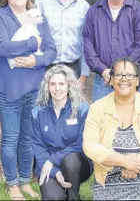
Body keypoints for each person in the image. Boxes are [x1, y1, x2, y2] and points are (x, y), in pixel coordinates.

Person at [0, 0, 57, 200]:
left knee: (28, 137)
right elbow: (1, 48)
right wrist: (31, 43)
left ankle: (26, 181)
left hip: (34, 89)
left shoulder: (38, 16)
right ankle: (12, 184)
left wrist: (34, 60)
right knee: (10, 138)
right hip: (9, 90)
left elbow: (50, 50)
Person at [83, 57, 140, 200]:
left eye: (130, 75)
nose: (124, 79)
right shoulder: (97, 108)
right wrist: (124, 161)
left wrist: (139, 160)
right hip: (109, 176)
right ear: (111, 79)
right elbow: (89, 145)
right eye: (118, 74)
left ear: (138, 80)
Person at [83, 0, 140, 102]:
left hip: (130, 81)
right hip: (103, 81)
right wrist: (103, 71)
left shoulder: (139, 10)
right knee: (103, 122)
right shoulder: (94, 11)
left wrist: (121, 73)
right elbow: (88, 44)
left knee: (132, 122)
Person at [30, 64, 93, 200]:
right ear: (47, 86)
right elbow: (38, 147)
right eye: (53, 84)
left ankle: (73, 197)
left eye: (61, 84)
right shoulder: (37, 112)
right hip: (48, 165)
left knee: (69, 160)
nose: (57, 88)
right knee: (52, 198)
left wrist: (53, 160)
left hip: (77, 164)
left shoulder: (82, 110)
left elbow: (81, 143)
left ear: (69, 86)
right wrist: (54, 171)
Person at [35, 0, 90, 88]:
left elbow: (86, 43)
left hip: (73, 70)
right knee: (44, 108)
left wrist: (83, 76)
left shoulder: (84, 7)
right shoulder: (40, 3)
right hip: (45, 70)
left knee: (71, 108)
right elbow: (34, 38)